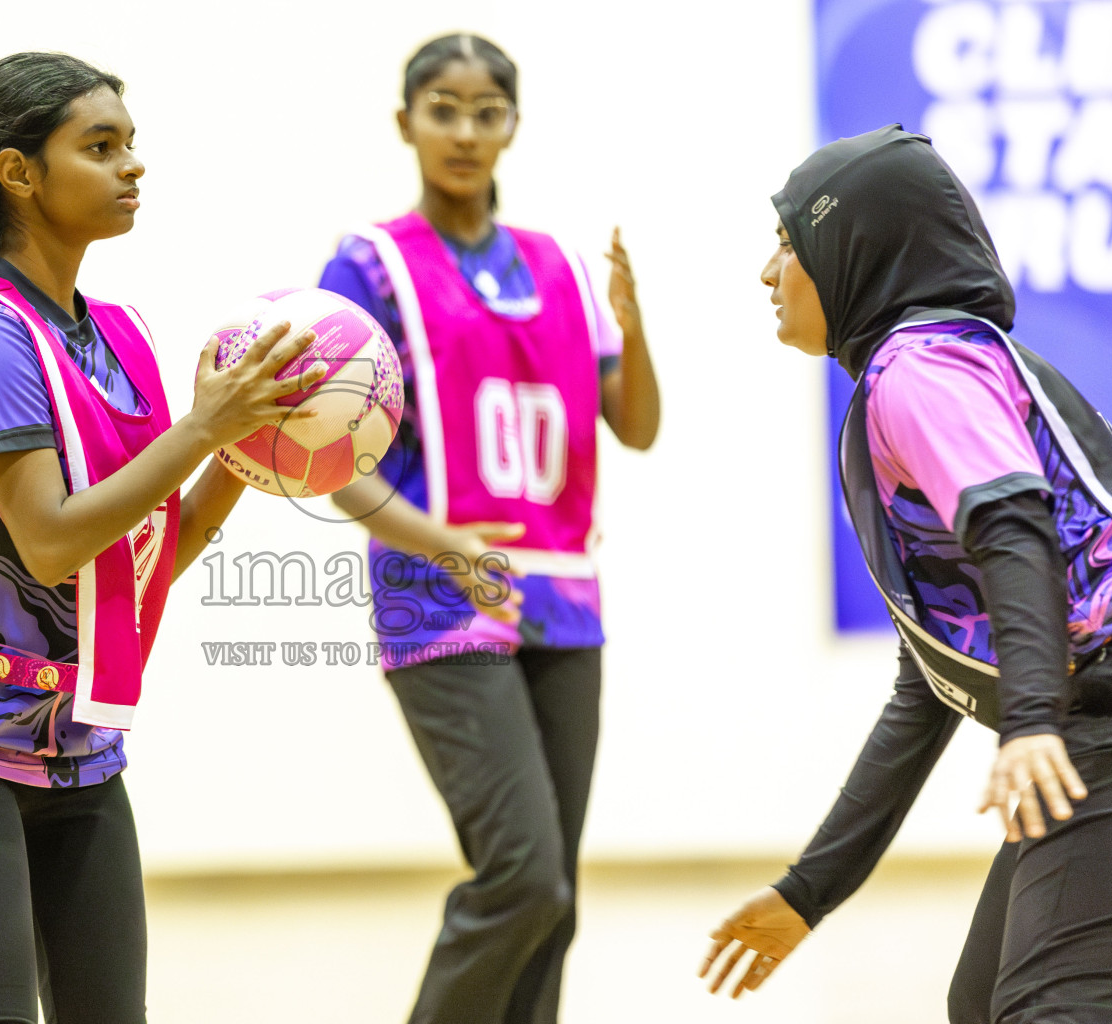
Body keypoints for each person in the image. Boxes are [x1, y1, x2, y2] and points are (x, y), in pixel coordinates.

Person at [0, 52, 324, 1024]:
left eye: (130, 144)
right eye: (99, 147)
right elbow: (51, 541)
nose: (131, 165)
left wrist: (241, 461)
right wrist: (202, 431)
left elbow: (131, 575)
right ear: (19, 171)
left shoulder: (122, 339)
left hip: (77, 747)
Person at [700, 124, 1112, 1023]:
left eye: (786, 241)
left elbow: (1018, 529)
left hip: (1105, 724)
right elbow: (927, 684)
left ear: (852, 248)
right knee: (982, 1003)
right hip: (1092, 724)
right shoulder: (934, 364)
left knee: (1050, 1007)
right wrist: (810, 891)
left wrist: (1036, 721)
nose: (766, 271)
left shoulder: (919, 370)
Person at [319, 33, 660, 1024]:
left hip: (564, 596)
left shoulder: (556, 266)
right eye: (442, 107)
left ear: (512, 124)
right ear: (405, 122)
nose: (465, 130)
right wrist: (444, 545)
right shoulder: (369, 266)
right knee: (524, 873)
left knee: (557, 906)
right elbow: (332, 459)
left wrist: (636, 329)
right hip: (442, 593)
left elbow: (633, 427)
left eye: (486, 111)